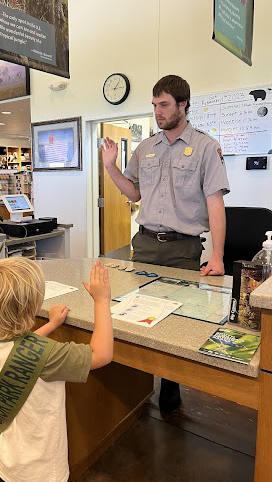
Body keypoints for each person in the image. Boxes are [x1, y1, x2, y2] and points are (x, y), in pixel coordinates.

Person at [101, 74, 230, 412]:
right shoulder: (147, 148)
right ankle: (136, 383)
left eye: (164, 105)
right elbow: (134, 192)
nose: (158, 112)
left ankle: (170, 387)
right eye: (154, 105)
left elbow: (215, 202)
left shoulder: (205, 146)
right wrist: (111, 168)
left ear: (183, 105)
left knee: (175, 323)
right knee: (134, 313)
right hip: (144, 245)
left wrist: (217, 255)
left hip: (182, 248)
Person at [0, 258, 113, 482]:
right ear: (32, 306)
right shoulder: (49, 357)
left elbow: (21, 351)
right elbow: (102, 354)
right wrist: (102, 300)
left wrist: (51, 325)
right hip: (38, 471)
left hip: (2, 460)